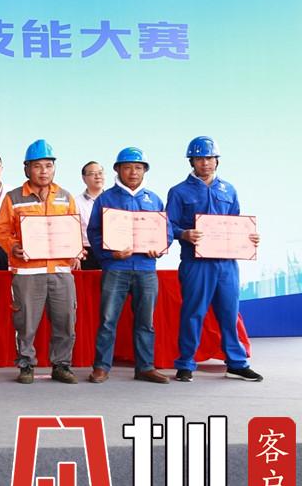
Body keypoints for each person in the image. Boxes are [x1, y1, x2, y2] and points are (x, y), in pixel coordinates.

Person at [167, 136, 262, 382]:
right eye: (199, 159)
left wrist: (248, 238)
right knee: (193, 313)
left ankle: (237, 363)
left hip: (226, 263)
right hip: (196, 263)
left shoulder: (228, 190)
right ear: (191, 161)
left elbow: (236, 223)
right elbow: (167, 226)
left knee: (230, 313)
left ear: (217, 160)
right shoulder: (179, 191)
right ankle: (186, 363)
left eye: (209, 158)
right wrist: (184, 234)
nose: (205, 163)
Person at [0, 139, 82, 385]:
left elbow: (73, 230)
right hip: (27, 272)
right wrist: (13, 247)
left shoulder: (65, 197)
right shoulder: (13, 197)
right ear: (26, 169)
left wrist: (76, 251)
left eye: (48, 165)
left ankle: (61, 365)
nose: (44, 171)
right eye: (37, 166)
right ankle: (26, 365)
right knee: (25, 322)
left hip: (61, 271)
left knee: (65, 320)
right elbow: (2, 231)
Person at [86, 147, 172, 385]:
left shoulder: (154, 199)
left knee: (146, 321)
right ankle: (101, 367)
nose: (133, 172)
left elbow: (166, 231)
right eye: (127, 167)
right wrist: (109, 254)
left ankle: (145, 367)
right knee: (107, 319)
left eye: (138, 167)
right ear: (118, 170)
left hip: (146, 268)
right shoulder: (106, 199)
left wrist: (159, 248)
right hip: (116, 268)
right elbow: (93, 232)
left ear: (144, 170)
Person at [76, 161, 105, 270]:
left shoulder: (113, 200)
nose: (98, 176)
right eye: (92, 173)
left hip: (111, 252)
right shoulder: (76, 202)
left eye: (100, 173)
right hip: (87, 253)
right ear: (84, 178)